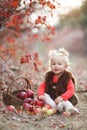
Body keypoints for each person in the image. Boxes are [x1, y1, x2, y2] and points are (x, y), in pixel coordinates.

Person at [37, 48, 79, 116]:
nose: (56, 66)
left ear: (65, 66)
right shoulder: (49, 77)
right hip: (52, 99)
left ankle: (70, 109)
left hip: (63, 98)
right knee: (45, 95)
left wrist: (62, 97)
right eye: (54, 64)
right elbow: (42, 86)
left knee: (65, 103)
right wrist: (41, 94)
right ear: (50, 66)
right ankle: (56, 108)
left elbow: (71, 90)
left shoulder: (66, 78)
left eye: (59, 64)